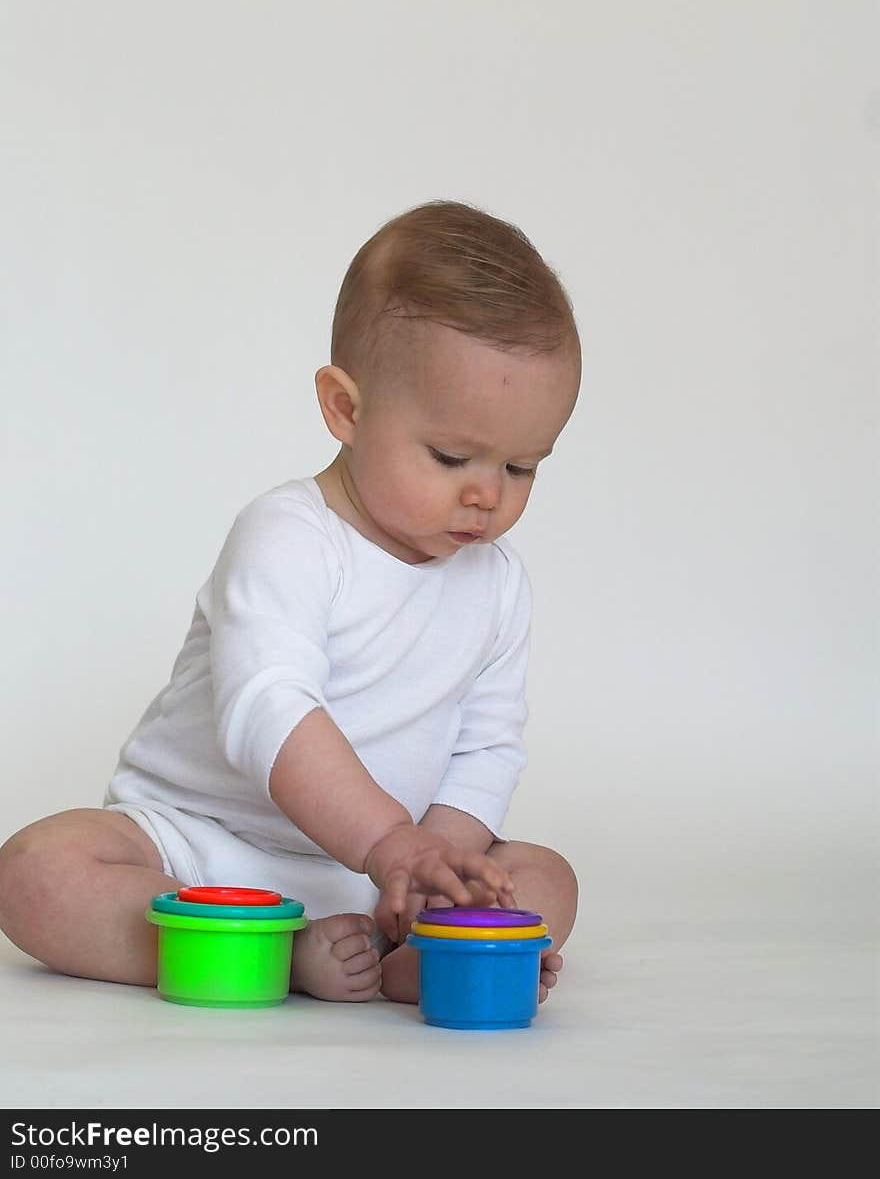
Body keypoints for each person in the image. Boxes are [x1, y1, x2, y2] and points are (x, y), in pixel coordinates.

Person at [0, 200, 581, 1007]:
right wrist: (386, 842)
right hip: (205, 850)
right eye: (451, 456)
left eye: (522, 467)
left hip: (382, 874)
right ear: (346, 408)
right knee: (37, 868)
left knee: (547, 879)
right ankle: (270, 948)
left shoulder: (497, 583)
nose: (487, 494)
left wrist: (435, 873)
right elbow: (268, 709)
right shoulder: (289, 536)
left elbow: (487, 751)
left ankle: (413, 952)